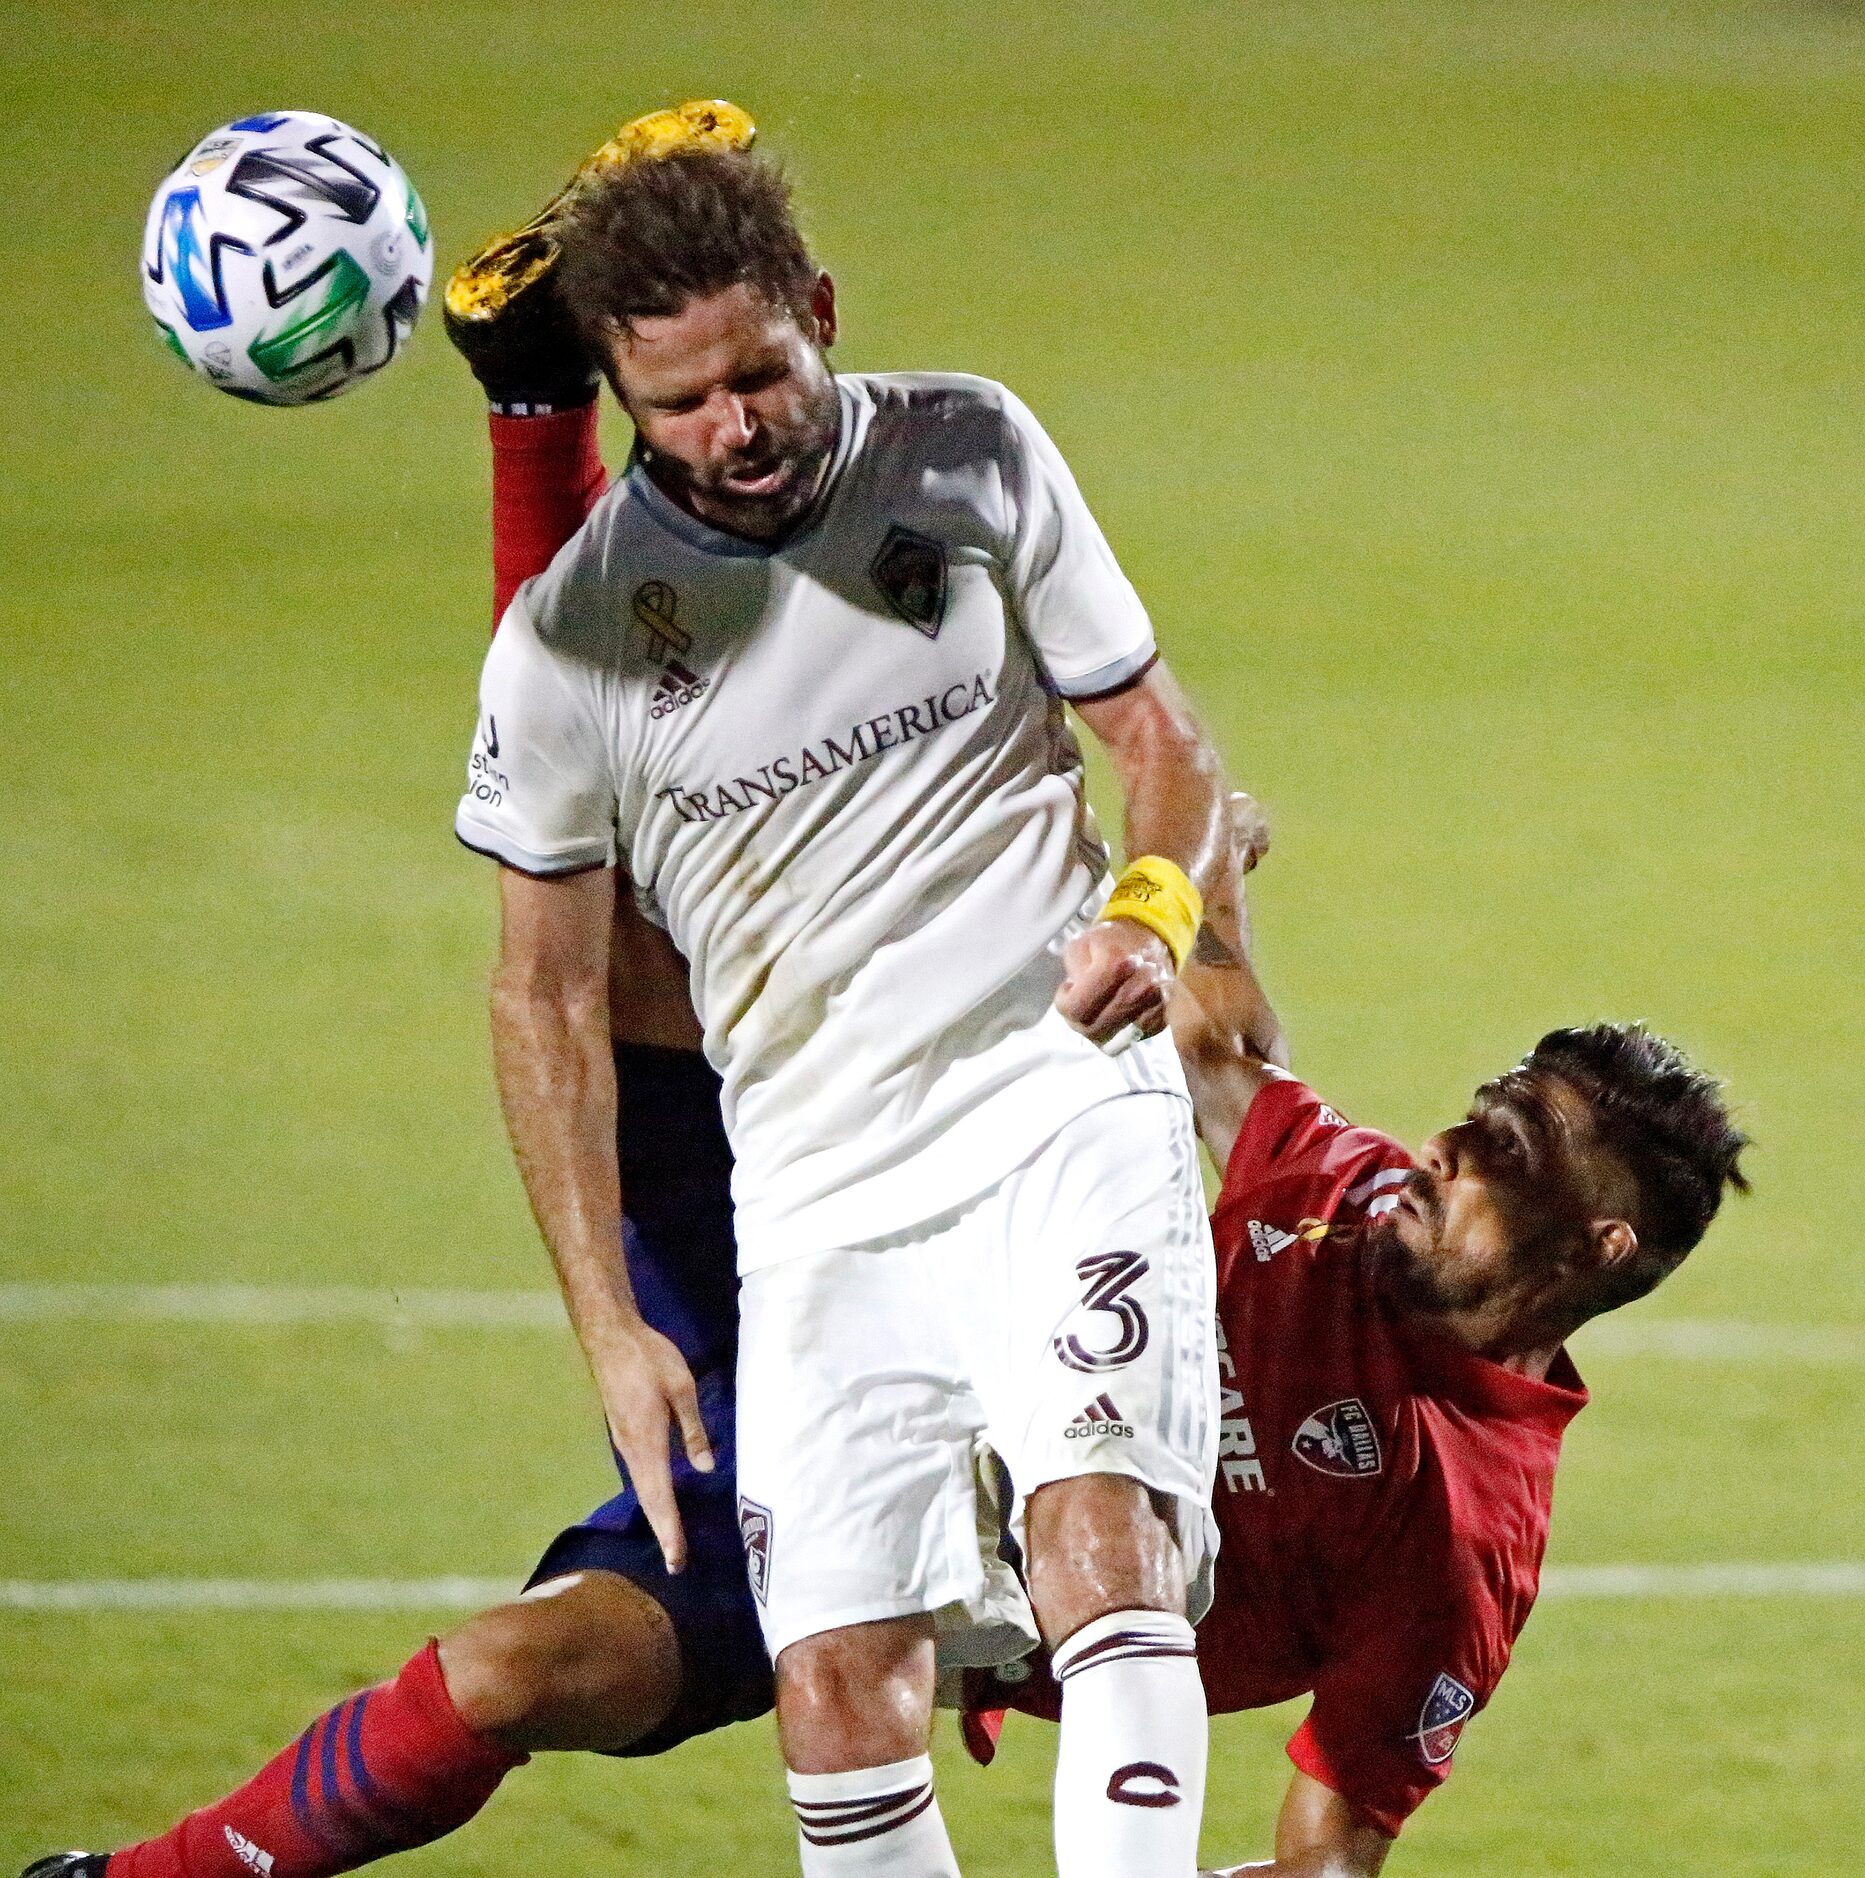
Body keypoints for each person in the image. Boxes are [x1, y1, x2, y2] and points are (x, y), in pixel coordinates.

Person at [454, 107, 1236, 1878]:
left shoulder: (970, 446)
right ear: (622, 396)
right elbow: (544, 1001)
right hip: (811, 1189)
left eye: (760, 374)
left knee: (1095, 1540)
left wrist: (1155, 903)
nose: (730, 430)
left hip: (1059, 1098)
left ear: (817, 304)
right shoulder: (571, 640)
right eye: (676, 404)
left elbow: (1158, 736)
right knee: (833, 1676)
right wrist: (609, 1318)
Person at [959, 802, 1751, 1875]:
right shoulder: (1362, 1196)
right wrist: (1205, 859)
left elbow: (1327, 1853)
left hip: (977, 1598)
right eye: (1478, 1112)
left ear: (1591, 1246)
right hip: (922, 1382)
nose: (1438, 1145)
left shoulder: (1459, 1535)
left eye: (1502, 1149)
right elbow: (1222, 1049)